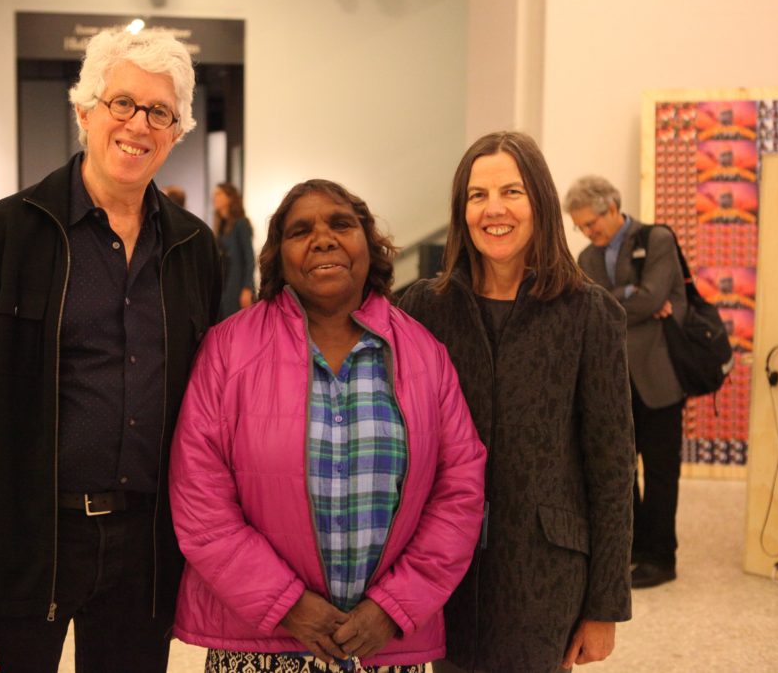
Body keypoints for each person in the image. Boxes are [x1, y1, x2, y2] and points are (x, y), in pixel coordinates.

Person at [0, 28, 221, 673]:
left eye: (159, 112)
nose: (138, 125)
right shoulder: (6, 235)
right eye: (122, 103)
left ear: (176, 132)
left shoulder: (196, 251)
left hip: (146, 550)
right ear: (85, 110)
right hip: (27, 540)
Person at [170, 179, 487, 672]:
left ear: (368, 243)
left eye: (341, 224)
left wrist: (392, 607)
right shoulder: (227, 350)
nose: (323, 238)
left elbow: (460, 492)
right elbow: (200, 500)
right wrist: (288, 605)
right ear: (279, 255)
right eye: (301, 231)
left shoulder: (426, 354)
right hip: (260, 643)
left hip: (385, 645)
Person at [399, 132, 634, 672]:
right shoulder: (423, 309)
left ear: (541, 204)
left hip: (546, 572)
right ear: (462, 211)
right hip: (444, 566)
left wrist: (605, 607)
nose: (494, 209)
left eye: (512, 191)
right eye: (477, 195)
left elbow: (612, 466)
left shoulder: (589, 313)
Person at [565, 174, 687, 590]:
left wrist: (622, 298)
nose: (587, 233)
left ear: (612, 208)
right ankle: (631, 549)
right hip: (610, 380)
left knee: (661, 470)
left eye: (591, 224)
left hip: (660, 377)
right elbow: (588, 310)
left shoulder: (656, 240)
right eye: (580, 227)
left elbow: (653, 296)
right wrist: (631, 294)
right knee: (617, 470)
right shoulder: (585, 258)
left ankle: (661, 556)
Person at [212, 181, 256, 320]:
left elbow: (249, 258)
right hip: (224, 284)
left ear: (230, 198)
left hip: (237, 285)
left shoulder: (241, 224)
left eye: (219, 194)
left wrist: (247, 289)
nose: (215, 198)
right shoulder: (221, 226)